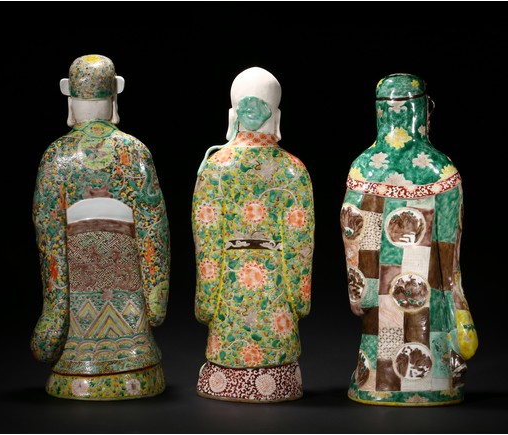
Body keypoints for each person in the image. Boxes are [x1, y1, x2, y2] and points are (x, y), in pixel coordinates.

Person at [31, 54, 170, 400]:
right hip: (129, 292)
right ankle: (134, 360)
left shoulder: (57, 157)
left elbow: (49, 238)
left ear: (70, 100)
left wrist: (54, 311)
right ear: (114, 98)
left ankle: (82, 360)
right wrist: (157, 300)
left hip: (78, 291)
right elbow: (154, 229)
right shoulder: (134, 152)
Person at [341, 73, 478, 406]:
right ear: (424, 110)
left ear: (379, 111)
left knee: (382, 328)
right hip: (429, 287)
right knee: (429, 318)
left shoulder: (365, 168)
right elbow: (450, 251)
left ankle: (376, 383)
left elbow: (354, 231)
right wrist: (456, 297)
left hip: (379, 286)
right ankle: (435, 383)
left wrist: (359, 289)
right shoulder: (442, 170)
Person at [193, 67, 314, 402]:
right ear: (277, 115)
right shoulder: (294, 170)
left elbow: (206, 244)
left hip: (229, 287)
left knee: (228, 328)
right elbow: (300, 248)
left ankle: (224, 380)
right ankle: (278, 380)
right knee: (277, 331)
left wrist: (206, 303)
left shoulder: (215, 168)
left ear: (232, 115)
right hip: (276, 289)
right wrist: (300, 302)